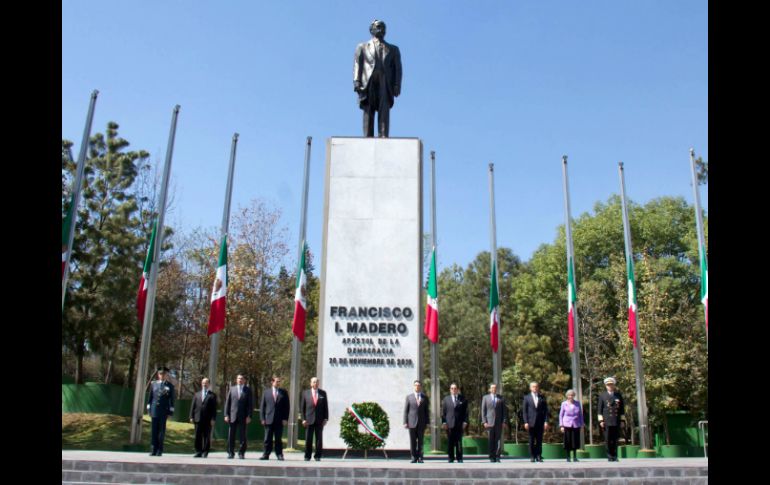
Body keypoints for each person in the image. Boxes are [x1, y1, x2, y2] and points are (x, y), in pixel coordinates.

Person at [353, 19, 402, 137]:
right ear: (371, 29)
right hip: (367, 81)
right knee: (368, 108)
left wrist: (397, 85)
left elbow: (398, 69)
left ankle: (383, 135)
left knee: (384, 107)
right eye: (378, 26)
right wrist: (356, 81)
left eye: (383, 27)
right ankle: (367, 136)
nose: (381, 29)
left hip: (385, 82)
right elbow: (357, 64)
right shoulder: (362, 46)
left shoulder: (393, 49)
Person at [224, 374, 254, 459]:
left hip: (243, 417)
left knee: (243, 436)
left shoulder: (247, 390)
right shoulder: (232, 389)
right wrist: (226, 415)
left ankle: (241, 453)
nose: (240, 380)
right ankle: (230, 452)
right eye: (238, 378)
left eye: (241, 379)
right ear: (236, 380)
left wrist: (249, 416)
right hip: (232, 416)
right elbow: (228, 403)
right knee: (231, 436)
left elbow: (250, 404)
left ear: (244, 380)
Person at [147, 366, 175, 457]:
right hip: (154, 410)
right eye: (160, 374)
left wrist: (170, 412)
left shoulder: (170, 386)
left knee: (161, 431)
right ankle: (153, 449)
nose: (162, 375)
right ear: (158, 375)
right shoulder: (153, 384)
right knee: (154, 430)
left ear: (166, 375)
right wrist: (149, 409)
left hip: (164, 411)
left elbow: (172, 400)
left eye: (164, 374)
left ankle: (159, 450)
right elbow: (150, 398)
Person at [260, 375, 289, 461]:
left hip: (279, 420)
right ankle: (266, 454)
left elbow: (287, 407)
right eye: (277, 381)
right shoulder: (266, 392)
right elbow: (263, 407)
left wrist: (285, 418)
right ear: (272, 382)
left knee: (278, 439)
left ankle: (279, 454)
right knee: (267, 439)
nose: (278, 383)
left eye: (279, 381)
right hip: (268, 419)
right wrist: (262, 418)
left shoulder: (284, 392)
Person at [300, 377, 328, 461]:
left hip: (319, 420)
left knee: (319, 439)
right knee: (308, 439)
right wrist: (303, 419)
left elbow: (325, 407)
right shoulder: (305, 393)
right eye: (314, 382)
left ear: (318, 384)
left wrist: (326, 418)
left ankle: (318, 456)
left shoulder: (323, 393)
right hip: (308, 420)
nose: (315, 383)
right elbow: (302, 408)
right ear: (311, 383)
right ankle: (307, 456)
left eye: (317, 382)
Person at [522, 381, 550, 462]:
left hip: (540, 422)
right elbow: (524, 411)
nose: (535, 388)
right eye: (533, 386)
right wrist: (525, 422)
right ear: (530, 388)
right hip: (531, 422)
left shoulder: (542, 397)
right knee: (531, 440)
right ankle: (532, 456)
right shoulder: (526, 397)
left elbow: (545, 411)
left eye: (536, 386)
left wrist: (546, 421)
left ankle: (538, 455)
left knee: (539, 440)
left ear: (538, 388)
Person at [598, 377, 625, 461]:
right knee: (608, 439)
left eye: (611, 385)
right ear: (606, 386)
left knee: (615, 439)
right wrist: (601, 420)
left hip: (616, 420)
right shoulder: (602, 395)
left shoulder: (618, 395)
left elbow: (622, 409)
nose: (610, 386)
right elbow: (599, 409)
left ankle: (615, 456)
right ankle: (609, 456)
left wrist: (622, 420)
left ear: (614, 385)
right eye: (608, 385)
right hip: (607, 420)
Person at [189, 377, 217, 458]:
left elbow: (214, 409)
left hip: (208, 419)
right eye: (203, 383)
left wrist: (213, 419)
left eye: (206, 383)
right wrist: (191, 416)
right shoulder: (196, 394)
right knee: (198, 436)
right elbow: (192, 406)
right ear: (201, 384)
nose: (204, 384)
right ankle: (198, 451)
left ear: (209, 384)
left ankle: (205, 452)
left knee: (206, 436)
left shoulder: (212, 395)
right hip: (197, 418)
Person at [441, 383, 469, 463]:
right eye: (452, 388)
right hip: (449, 424)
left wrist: (465, 422)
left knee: (459, 442)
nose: (453, 390)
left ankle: (459, 458)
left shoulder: (463, 399)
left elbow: (466, 412)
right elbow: (443, 412)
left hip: (459, 424)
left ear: (457, 389)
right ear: (450, 390)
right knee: (450, 442)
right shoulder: (446, 399)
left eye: (455, 388)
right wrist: (444, 422)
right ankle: (451, 458)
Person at [403, 380, 430, 463]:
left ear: (420, 387)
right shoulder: (409, 397)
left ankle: (421, 457)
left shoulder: (424, 397)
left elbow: (426, 411)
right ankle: (414, 457)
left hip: (421, 423)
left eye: (418, 385)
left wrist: (427, 422)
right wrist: (405, 422)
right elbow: (406, 410)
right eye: (415, 385)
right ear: (413, 386)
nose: (417, 387)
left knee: (421, 441)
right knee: (413, 441)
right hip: (411, 422)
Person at [481, 383, 507, 462]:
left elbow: (504, 411)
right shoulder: (485, 398)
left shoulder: (501, 398)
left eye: (495, 388)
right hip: (489, 422)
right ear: (489, 389)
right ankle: (491, 456)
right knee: (491, 440)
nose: (494, 389)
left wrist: (504, 421)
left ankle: (497, 456)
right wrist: (484, 421)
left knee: (498, 440)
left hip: (499, 422)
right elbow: (483, 410)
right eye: (492, 388)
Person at [559, 389, 584, 462]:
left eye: (572, 395)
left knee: (575, 441)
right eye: (569, 395)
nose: (571, 396)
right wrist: (561, 425)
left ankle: (575, 457)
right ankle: (568, 456)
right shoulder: (564, 404)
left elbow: (580, 415)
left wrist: (581, 424)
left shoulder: (577, 403)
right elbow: (561, 415)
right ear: (567, 396)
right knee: (568, 441)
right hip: (566, 424)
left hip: (576, 424)